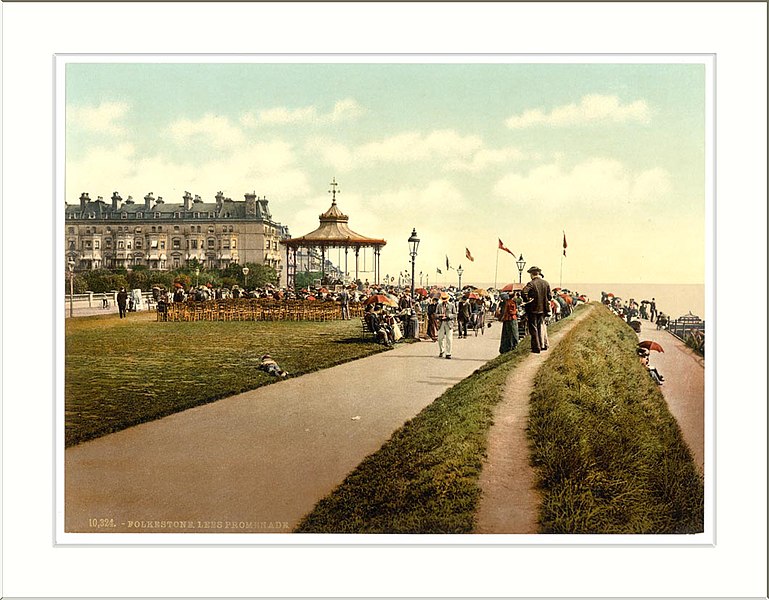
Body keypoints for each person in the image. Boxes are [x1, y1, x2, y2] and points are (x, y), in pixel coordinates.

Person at [521, 265, 551, 353]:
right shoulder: (546, 283)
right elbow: (549, 296)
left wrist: (527, 299)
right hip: (543, 309)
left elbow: (524, 292)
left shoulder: (531, 283)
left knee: (533, 328)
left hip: (533, 309)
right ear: (538, 273)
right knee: (541, 326)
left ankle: (536, 347)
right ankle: (543, 344)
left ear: (531, 274)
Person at [435, 293, 457, 359]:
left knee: (449, 338)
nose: (444, 300)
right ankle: (442, 351)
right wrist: (440, 316)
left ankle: (448, 353)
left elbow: (455, 314)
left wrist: (449, 316)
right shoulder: (439, 305)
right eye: (443, 299)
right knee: (440, 338)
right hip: (441, 322)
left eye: (445, 299)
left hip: (449, 322)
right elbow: (436, 314)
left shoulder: (452, 305)